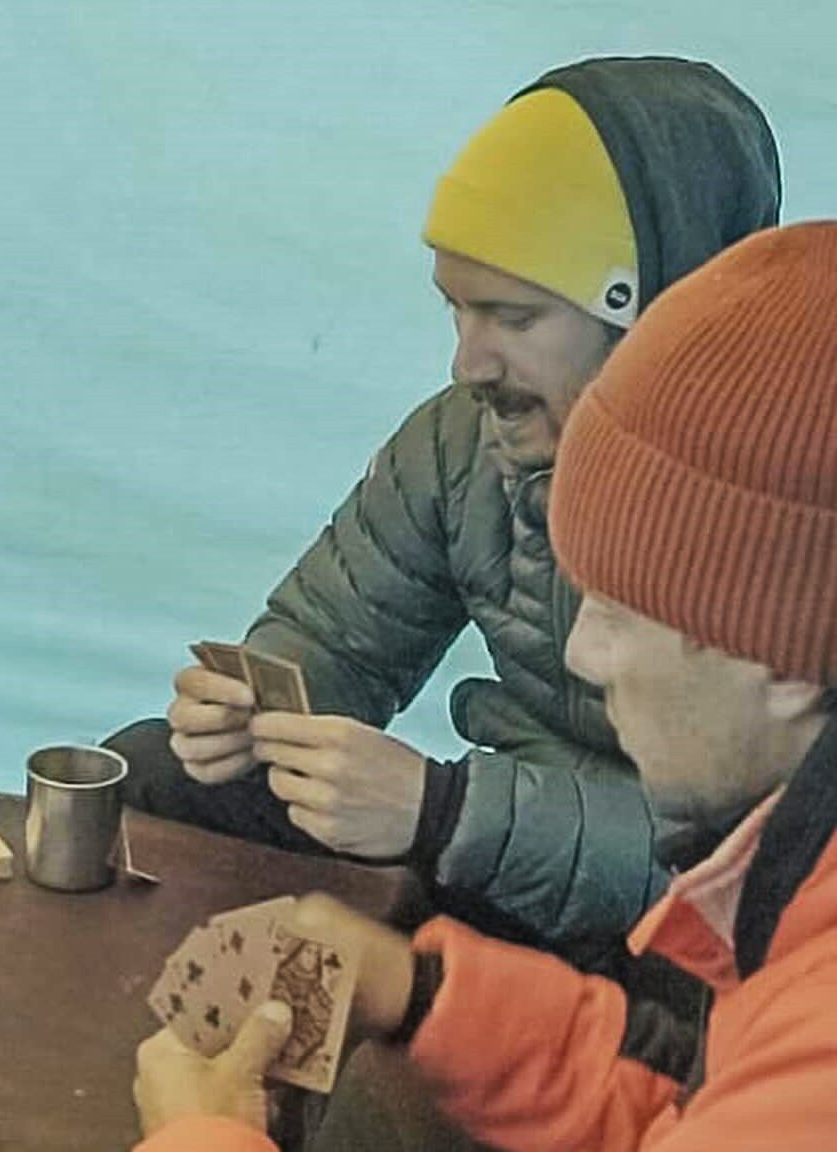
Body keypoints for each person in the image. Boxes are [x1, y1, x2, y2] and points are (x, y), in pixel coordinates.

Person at [133, 219, 837, 1151]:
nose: (585, 652)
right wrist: (419, 992)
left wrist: (203, 1136)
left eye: (623, 613)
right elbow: (681, 1113)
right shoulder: (793, 911)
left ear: (780, 659)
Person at [105, 56, 782, 951]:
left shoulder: (788, 507)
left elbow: (763, 872)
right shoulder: (464, 443)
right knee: (158, 773)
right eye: (456, 311)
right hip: (501, 851)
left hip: (694, 934)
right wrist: (257, 706)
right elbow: (336, 637)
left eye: (514, 318)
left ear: (649, 308)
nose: (470, 364)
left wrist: (447, 812)